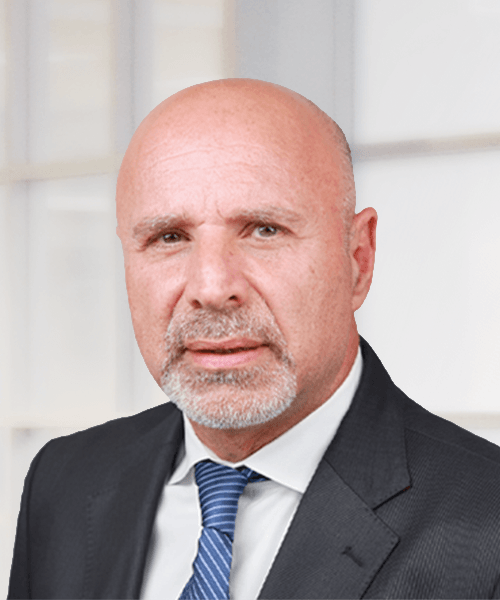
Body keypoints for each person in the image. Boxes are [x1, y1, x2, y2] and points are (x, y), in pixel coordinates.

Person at [8, 79, 500, 600]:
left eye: (264, 230)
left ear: (358, 259)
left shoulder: (486, 526)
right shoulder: (64, 482)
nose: (212, 288)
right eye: (169, 237)